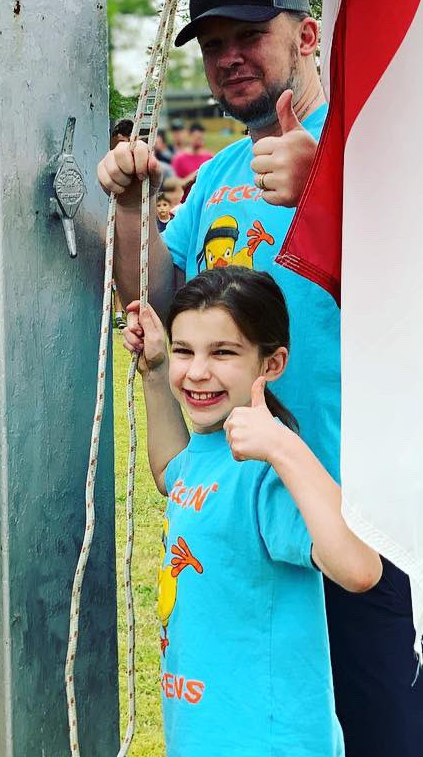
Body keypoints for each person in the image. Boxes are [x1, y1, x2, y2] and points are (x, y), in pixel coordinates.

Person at [97, 0, 423, 757]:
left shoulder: (364, 143)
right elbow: (161, 299)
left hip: (385, 531)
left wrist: (333, 181)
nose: (228, 57)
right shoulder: (219, 175)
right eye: (212, 44)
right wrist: (133, 211)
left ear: (308, 35)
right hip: (268, 534)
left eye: (250, 35)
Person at [133, 267, 380, 755]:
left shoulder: (269, 469)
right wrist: (158, 372)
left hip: (267, 741)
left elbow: (360, 568)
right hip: (203, 733)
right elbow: (171, 475)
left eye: (222, 352)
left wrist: (284, 450)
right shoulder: (209, 448)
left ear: (271, 363)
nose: (198, 371)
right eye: (186, 350)